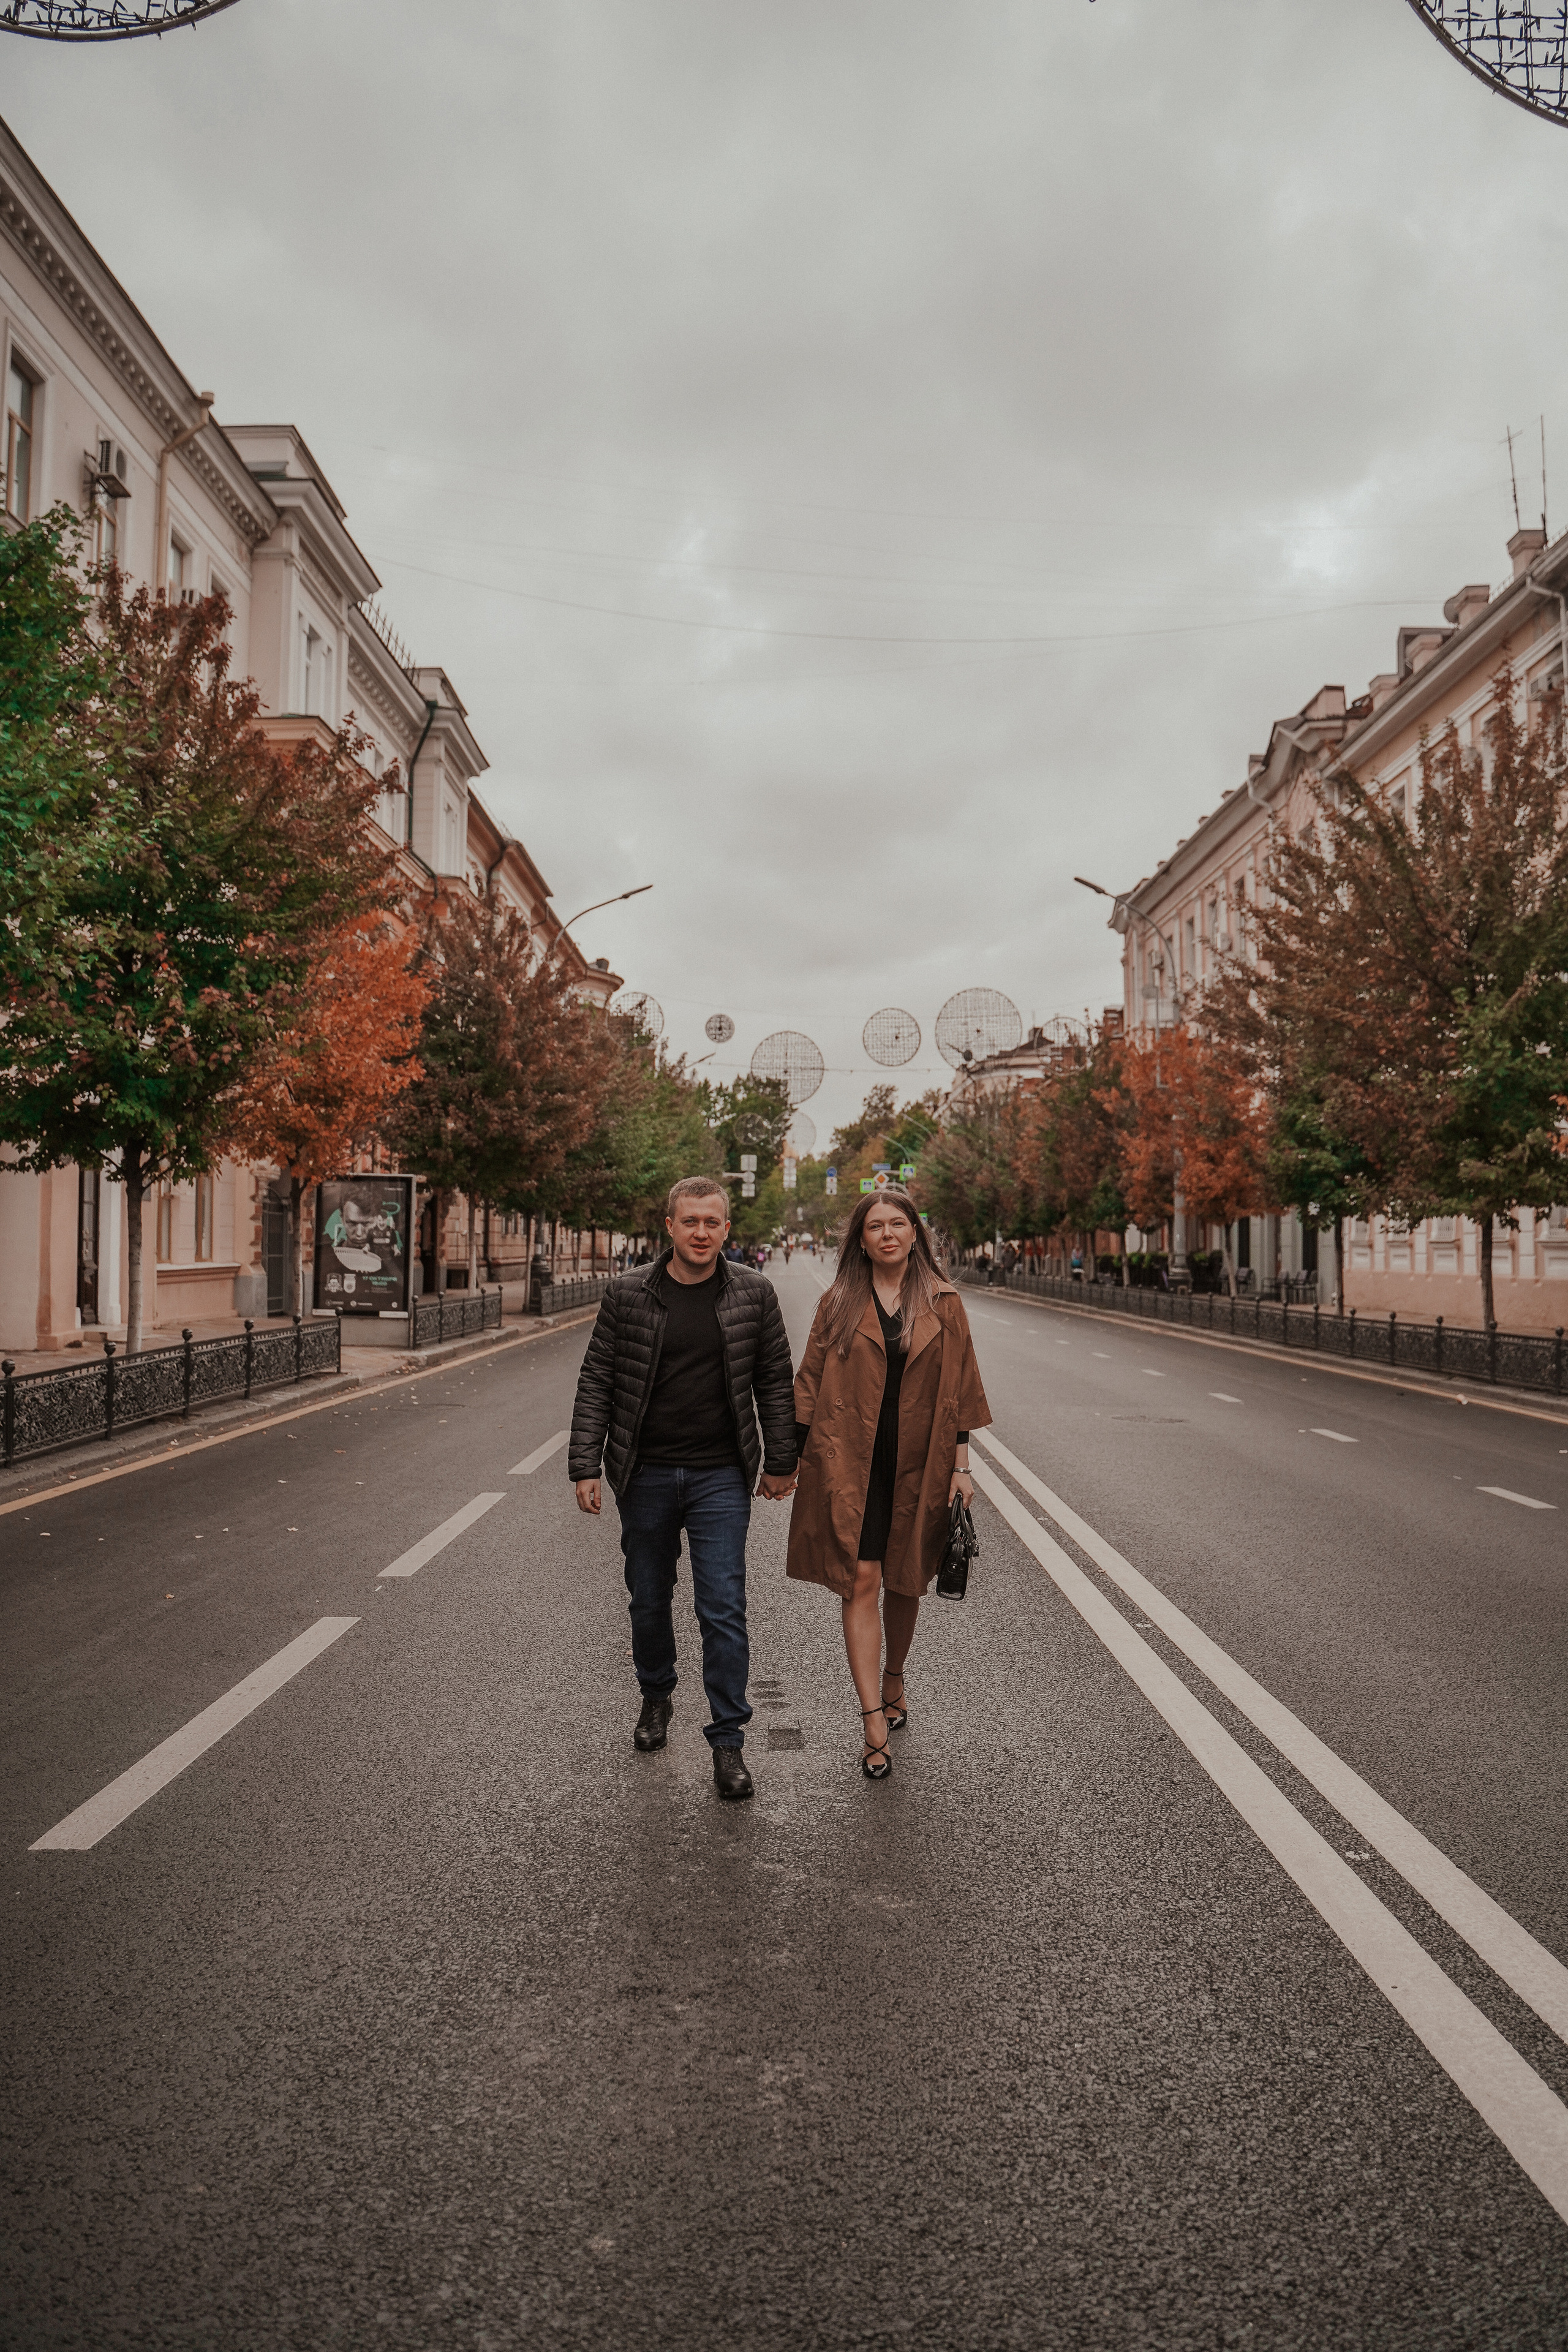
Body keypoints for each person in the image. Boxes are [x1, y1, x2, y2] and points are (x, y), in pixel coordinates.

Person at [568, 1176, 798, 1802]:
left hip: (720, 1474)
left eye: (712, 1222)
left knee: (722, 1606)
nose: (701, 1232)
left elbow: (776, 1380)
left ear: (727, 1229)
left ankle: (728, 1741)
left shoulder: (753, 1293)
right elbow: (597, 1379)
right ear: (668, 1226)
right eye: (689, 1221)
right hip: (643, 1473)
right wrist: (584, 1464)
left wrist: (781, 1460)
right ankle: (655, 1695)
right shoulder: (628, 1294)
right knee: (648, 1597)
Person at [786, 1188, 989, 1780]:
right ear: (861, 1239)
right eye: (875, 1226)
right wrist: (788, 1460)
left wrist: (962, 1465)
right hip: (851, 1458)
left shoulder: (945, 1303)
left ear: (915, 1234)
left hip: (919, 1458)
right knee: (863, 1577)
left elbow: (962, 1388)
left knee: (906, 1578)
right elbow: (809, 1381)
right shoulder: (839, 1302)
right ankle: (873, 1718)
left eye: (897, 1224)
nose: (887, 1234)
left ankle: (895, 1672)